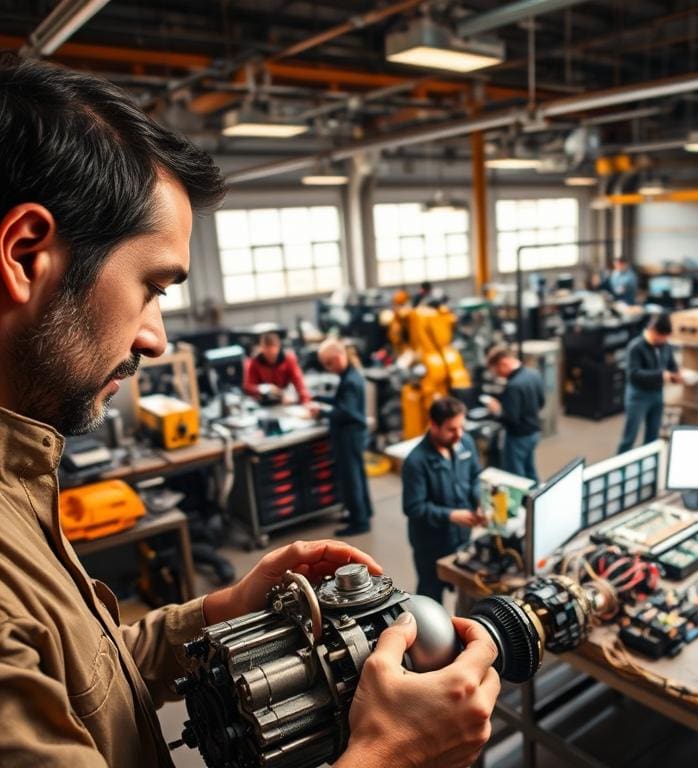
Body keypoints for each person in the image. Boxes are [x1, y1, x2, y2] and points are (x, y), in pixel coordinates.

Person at [0, 57, 498, 768]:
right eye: (152, 286)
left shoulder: (18, 485)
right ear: (25, 254)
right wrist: (392, 756)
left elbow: (85, 676)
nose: (156, 337)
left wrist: (220, 610)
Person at [402, 397, 484, 602]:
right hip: (432, 545)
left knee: (467, 589)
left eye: (461, 427)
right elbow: (414, 507)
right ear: (433, 425)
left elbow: (475, 477)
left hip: (463, 536)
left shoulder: (465, 442)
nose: (459, 435)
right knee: (430, 598)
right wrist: (451, 515)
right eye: (451, 429)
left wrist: (480, 501)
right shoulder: (416, 462)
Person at [317, 339, 374, 536]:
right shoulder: (349, 375)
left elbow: (346, 411)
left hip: (349, 435)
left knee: (352, 479)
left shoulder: (349, 380)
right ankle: (364, 512)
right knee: (358, 475)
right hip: (354, 434)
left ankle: (360, 522)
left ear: (338, 357)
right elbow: (341, 401)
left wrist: (320, 412)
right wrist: (318, 399)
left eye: (329, 363)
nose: (328, 368)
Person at [617, 313, 682, 453]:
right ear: (653, 330)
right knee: (629, 437)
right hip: (638, 396)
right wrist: (662, 375)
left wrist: (676, 374)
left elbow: (671, 364)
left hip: (657, 394)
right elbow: (633, 374)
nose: (664, 340)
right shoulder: (635, 347)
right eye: (662, 337)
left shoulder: (665, 345)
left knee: (652, 436)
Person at [485, 346, 544, 483]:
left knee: (516, 476)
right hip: (534, 432)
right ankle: (537, 498)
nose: (498, 375)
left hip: (518, 437)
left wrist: (496, 410)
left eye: (497, 370)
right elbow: (541, 402)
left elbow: (510, 419)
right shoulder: (534, 374)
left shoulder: (513, 385)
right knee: (530, 469)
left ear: (504, 363)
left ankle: (522, 503)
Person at [242, 330, 317, 410]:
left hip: (285, 399)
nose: (270, 358)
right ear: (262, 349)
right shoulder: (254, 362)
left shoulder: (289, 359)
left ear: (278, 347)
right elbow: (248, 386)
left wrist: (307, 402)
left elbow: (299, 384)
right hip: (264, 403)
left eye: (273, 354)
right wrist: (266, 388)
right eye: (267, 354)